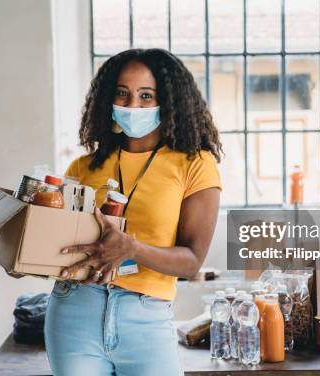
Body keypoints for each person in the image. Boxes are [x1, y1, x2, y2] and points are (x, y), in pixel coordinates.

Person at [44, 48, 223, 376]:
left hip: (145, 317)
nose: (132, 106)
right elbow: (59, 247)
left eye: (146, 96)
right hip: (74, 312)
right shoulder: (82, 168)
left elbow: (192, 259)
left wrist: (132, 249)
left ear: (168, 102)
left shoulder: (194, 164)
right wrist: (23, 255)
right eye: (122, 95)